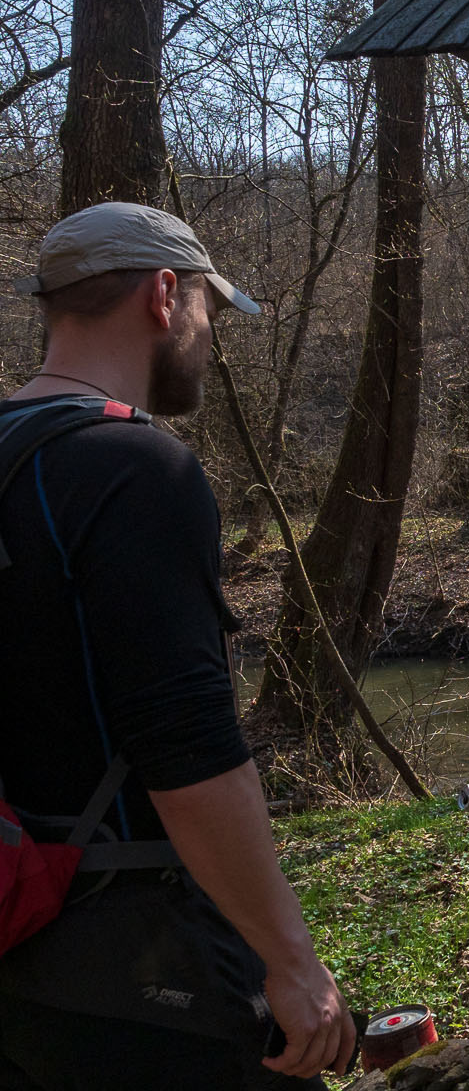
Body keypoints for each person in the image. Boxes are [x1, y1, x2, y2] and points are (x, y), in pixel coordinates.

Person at [0, 203, 357, 1089]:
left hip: (14, 947)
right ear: (166, 296)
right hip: (138, 967)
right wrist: (292, 962)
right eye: (207, 309)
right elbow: (190, 751)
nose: (210, 339)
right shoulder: (135, 467)